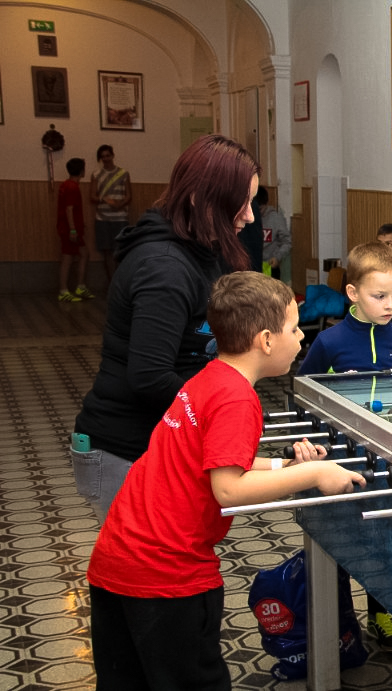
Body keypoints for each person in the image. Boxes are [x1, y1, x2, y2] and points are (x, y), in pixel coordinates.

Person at [87, 271, 366, 691]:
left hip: (118, 559)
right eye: (294, 329)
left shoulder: (209, 378)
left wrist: (284, 466)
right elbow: (228, 489)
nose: (301, 339)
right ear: (266, 340)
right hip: (166, 575)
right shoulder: (238, 398)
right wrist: (315, 473)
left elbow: (213, 462)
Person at [72, 134, 259, 524]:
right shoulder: (165, 267)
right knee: (142, 560)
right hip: (125, 446)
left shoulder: (202, 250)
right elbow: (150, 376)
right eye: (240, 204)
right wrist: (222, 410)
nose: (249, 216)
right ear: (200, 199)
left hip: (159, 438)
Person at [297, 241, 392, 651]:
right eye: (379, 295)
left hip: (387, 457)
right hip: (340, 457)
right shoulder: (329, 342)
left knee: (384, 535)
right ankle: (338, 619)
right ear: (353, 292)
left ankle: (380, 613)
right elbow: (305, 393)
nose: (390, 304)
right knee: (344, 535)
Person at [89, 144, 132, 284]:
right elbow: (92, 196)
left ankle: (120, 282)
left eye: (108, 156)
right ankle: (112, 281)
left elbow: (128, 195)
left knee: (120, 250)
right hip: (102, 218)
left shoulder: (123, 173)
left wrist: (120, 204)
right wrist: (105, 200)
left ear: (113, 155)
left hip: (120, 218)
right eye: (103, 157)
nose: (106, 159)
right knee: (107, 251)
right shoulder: (96, 174)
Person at [56, 157, 93, 302]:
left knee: (84, 253)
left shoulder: (66, 185)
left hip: (72, 228)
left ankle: (80, 286)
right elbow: (69, 209)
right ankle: (63, 290)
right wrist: (72, 229)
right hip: (70, 230)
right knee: (67, 258)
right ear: (82, 171)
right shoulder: (72, 187)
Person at [258, 185, 291, 281]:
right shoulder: (249, 219)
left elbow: (287, 242)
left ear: (266, 204)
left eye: (260, 209)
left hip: (271, 267)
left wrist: (277, 257)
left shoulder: (276, 218)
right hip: (253, 267)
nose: (258, 213)